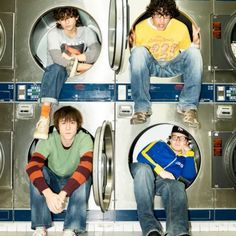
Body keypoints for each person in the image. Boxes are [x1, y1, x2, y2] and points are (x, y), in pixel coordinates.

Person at [129, 0, 203, 127]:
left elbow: (187, 56)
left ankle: (188, 107)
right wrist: (133, 47)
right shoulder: (140, 28)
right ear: (152, 14)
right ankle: (142, 109)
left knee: (194, 53)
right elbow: (137, 61)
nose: (162, 21)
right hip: (151, 66)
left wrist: (195, 44)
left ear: (171, 15)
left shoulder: (180, 27)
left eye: (166, 16)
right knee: (138, 52)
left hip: (173, 65)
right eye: (158, 15)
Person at [34, 7, 101, 140]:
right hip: (58, 74)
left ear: (76, 17)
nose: (66, 22)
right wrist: (84, 65)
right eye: (62, 19)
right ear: (58, 21)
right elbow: (58, 60)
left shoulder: (86, 32)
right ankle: (44, 118)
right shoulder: (54, 33)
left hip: (80, 73)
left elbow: (96, 53)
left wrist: (74, 60)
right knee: (55, 68)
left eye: (69, 18)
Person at [26, 106, 93, 236]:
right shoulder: (49, 138)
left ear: (78, 125)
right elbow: (32, 165)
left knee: (84, 177)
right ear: (57, 126)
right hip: (53, 181)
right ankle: (40, 227)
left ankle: (71, 229)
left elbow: (86, 167)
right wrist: (48, 194)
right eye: (63, 123)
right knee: (38, 173)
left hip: (73, 182)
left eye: (72, 123)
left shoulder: (84, 139)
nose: (68, 128)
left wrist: (62, 194)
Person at [130, 125, 197, 236]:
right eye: (175, 137)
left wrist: (189, 155)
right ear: (169, 139)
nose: (177, 140)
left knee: (177, 185)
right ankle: (151, 229)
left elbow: (189, 177)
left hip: (161, 183)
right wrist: (160, 170)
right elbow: (141, 155)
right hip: (142, 172)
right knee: (144, 170)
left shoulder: (183, 160)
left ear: (187, 142)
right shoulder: (159, 144)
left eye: (182, 138)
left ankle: (178, 231)